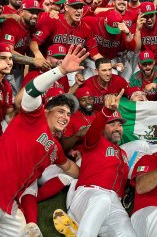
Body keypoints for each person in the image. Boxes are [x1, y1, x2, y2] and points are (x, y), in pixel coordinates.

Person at [0, 45, 86, 237]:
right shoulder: (34, 117)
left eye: (68, 114)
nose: (66, 116)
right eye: (60, 110)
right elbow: (31, 91)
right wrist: (61, 71)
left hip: (8, 203)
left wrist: (90, 175)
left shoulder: (55, 148)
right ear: (47, 110)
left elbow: (70, 168)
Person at [65, 89, 137, 237]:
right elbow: (94, 129)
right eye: (112, 124)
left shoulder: (123, 153)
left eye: (120, 125)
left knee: (128, 233)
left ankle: (80, 226)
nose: (117, 128)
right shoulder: (95, 141)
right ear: (103, 128)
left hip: (114, 202)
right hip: (89, 194)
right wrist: (106, 111)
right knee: (102, 199)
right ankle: (77, 222)